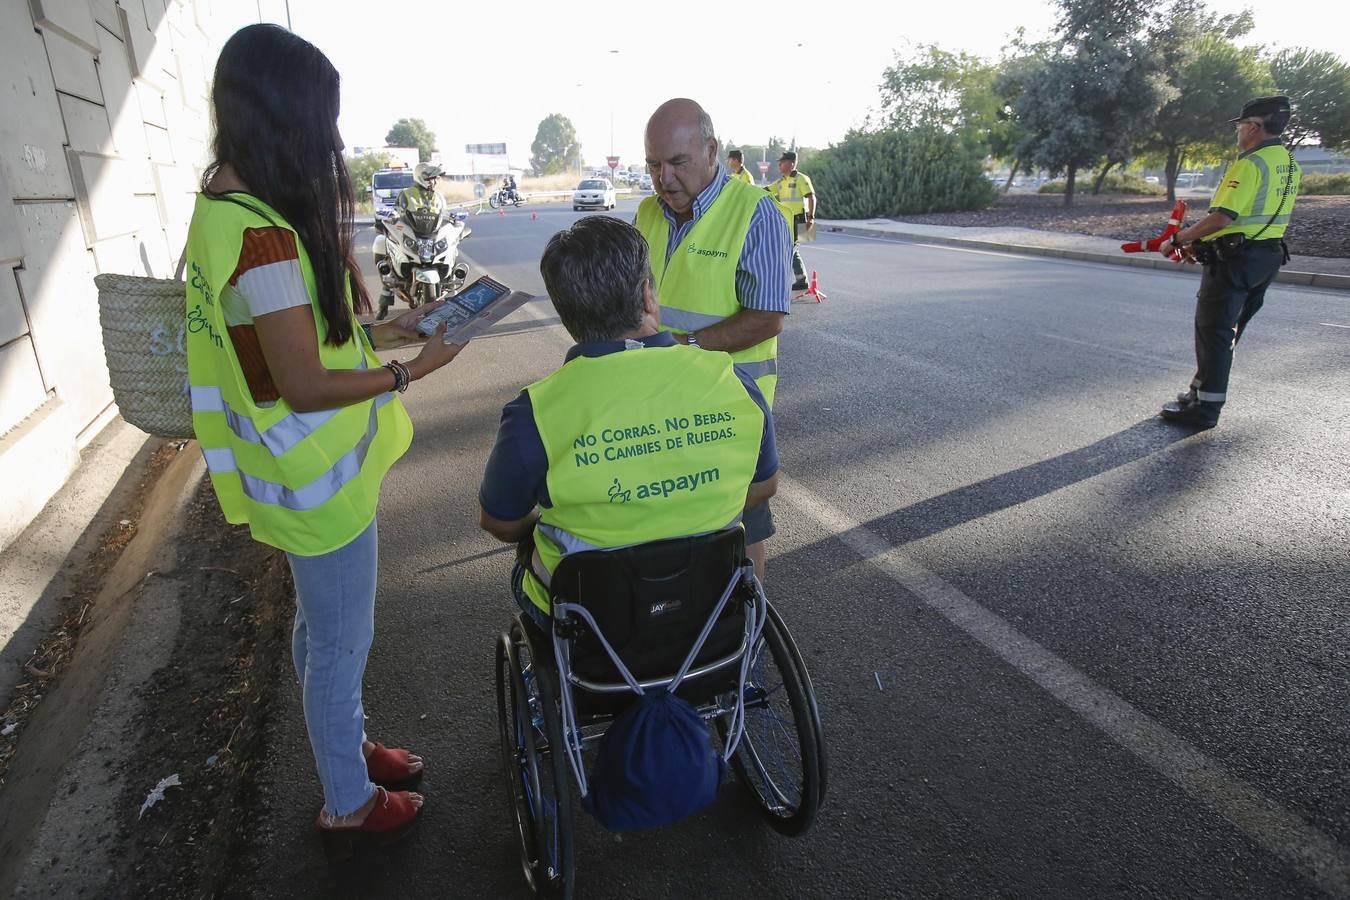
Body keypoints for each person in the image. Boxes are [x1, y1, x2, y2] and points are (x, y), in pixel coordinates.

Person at [185, 23, 463, 842]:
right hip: (318, 483)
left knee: (321, 632)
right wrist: (415, 370)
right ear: (284, 117)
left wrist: (396, 325)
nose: (333, 139)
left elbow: (297, 344)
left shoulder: (229, 208)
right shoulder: (265, 236)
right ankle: (349, 801)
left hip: (297, 472)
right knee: (340, 643)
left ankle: (347, 746)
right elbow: (304, 382)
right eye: (322, 119)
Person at [477, 216, 779, 627]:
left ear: (566, 313)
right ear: (647, 295)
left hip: (595, 623)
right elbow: (763, 487)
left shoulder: (535, 411)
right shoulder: (733, 381)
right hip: (708, 603)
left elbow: (499, 521)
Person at [636, 97, 792, 580]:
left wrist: (685, 349)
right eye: (654, 165)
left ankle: (748, 637)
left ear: (711, 151)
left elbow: (766, 317)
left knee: (741, 529)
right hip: (656, 404)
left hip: (730, 407)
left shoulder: (756, 213)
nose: (664, 178)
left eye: (677, 163)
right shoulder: (646, 213)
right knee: (669, 530)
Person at [1158, 95, 1301, 429]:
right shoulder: (1289, 163)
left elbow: (1223, 217)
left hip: (1236, 260)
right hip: (1267, 257)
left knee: (1214, 332)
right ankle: (1199, 391)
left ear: (1253, 127)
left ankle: (1205, 410)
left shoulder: (1250, 164)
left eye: (1240, 126)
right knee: (1228, 332)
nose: (1238, 133)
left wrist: (1180, 239)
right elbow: (1254, 216)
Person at [375, 162, 447, 320]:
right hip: (411, 234)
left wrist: (452, 222)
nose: (434, 181)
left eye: (435, 178)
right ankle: (385, 297)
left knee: (451, 247)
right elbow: (396, 211)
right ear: (422, 177)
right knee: (381, 242)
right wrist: (387, 219)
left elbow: (444, 215)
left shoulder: (439, 197)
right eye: (431, 178)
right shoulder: (406, 194)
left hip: (430, 236)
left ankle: (451, 286)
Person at [765, 150, 818, 291]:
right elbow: (764, 191)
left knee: (791, 248)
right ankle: (802, 280)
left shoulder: (801, 179)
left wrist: (811, 218)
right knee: (792, 249)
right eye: (780, 163)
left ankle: (786, 280)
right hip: (785, 219)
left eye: (782, 163)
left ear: (791, 163)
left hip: (800, 218)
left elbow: (811, 198)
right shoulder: (781, 181)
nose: (780, 165)